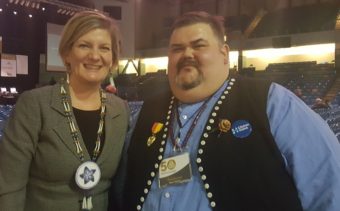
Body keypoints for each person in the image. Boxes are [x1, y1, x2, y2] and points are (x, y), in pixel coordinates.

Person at [119, 11, 340, 211]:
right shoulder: (146, 112)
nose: (187, 53)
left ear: (224, 54)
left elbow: (329, 185)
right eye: (177, 48)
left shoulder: (273, 102)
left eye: (198, 45)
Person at [0, 11, 129, 211]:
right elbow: (10, 186)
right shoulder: (35, 104)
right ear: (67, 53)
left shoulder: (120, 110)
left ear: (112, 58)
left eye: (104, 48)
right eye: (84, 45)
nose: (95, 56)